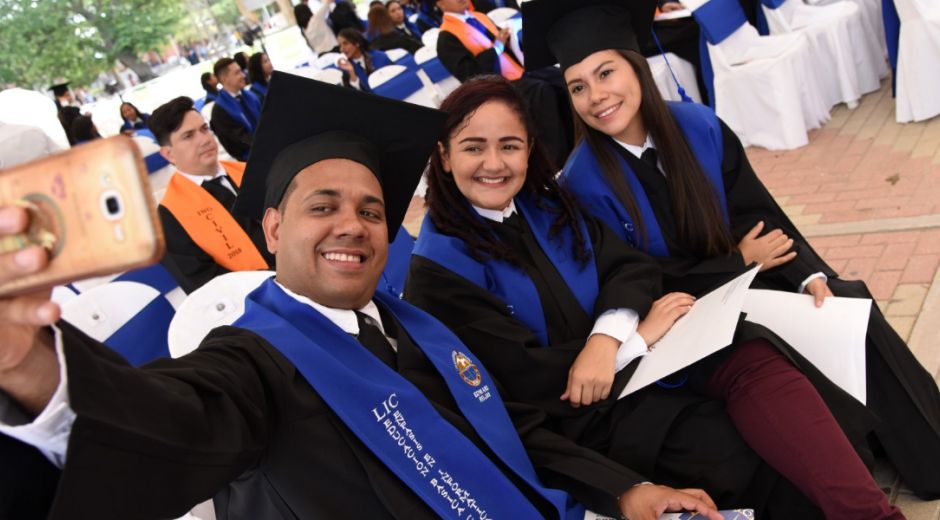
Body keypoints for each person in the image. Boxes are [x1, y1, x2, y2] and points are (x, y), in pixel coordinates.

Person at [0, 72, 723, 520]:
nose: (352, 224)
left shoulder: (417, 327)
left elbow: (510, 430)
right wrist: (30, 367)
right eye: (323, 206)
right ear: (274, 226)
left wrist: (626, 491)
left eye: (372, 210)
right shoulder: (252, 362)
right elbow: (176, 423)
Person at [405, 73, 904, 519]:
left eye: (509, 145)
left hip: (640, 366)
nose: (494, 163)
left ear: (530, 150)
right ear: (444, 156)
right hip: (585, 422)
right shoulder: (439, 268)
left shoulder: (543, 207)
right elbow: (521, 379)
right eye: (474, 147)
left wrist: (609, 337)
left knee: (751, 350)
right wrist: (636, 339)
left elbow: (628, 265)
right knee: (741, 448)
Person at [544, 0, 940, 500]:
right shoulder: (581, 183)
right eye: (578, 87)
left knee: (846, 305)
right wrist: (736, 262)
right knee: (768, 347)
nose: (596, 96)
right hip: (686, 318)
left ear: (635, 64)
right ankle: (855, 458)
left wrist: (808, 274)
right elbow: (640, 278)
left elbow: (758, 211)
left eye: (606, 73)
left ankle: (923, 456)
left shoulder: (699, 126)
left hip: (746, 278)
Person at [150, 96, 272, 293]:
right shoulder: (168, 220)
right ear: (169, 154)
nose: (205, 139)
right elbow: (208, 290)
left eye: (204, 129)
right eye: (188, 136)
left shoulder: (249, 171)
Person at [434, 0, 574, 168]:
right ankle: (558, 161)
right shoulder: (446, 38)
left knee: (560, 79)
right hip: (495, 87)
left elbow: (503, 41)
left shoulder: (479, 16)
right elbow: (471, 75)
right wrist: (497, 46)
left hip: (519, 71)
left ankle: (578, 140)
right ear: (440, 4)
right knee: (540, 92)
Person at [210, 57, 262, 160]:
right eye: (237, 73)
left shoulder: (251, 96)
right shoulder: (219, 111)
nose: (243, 75)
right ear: (224, 78)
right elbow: (238, 142)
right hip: (250, 161)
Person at [337, 28, 393, 92]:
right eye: (340, 46)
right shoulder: (346, 70)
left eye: (345, 43)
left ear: (357, 43)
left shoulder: (379, 56)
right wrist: (352, 73)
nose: (342, 49)